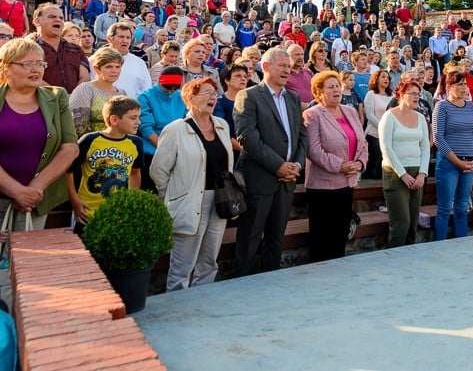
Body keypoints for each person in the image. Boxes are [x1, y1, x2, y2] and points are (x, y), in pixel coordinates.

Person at [0, 39, 79, 267]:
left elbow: (70, 147)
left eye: (40, 64)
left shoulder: (57, 97)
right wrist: (16, 190)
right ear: (5, 67)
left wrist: (34, 189)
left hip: (35, 200)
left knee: (27, 265)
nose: (36, 69)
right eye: (27, 64)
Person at [151, 77, 234, 291]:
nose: (213, 97)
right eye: (207, 92)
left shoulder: (222, 125)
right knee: (183, 263)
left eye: (214, 93)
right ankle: (178, 304)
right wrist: (172, 196)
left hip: (220, 199)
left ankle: (203, 299)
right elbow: (158, 170)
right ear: (190, 98)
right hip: (190, 200)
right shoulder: (175, 129)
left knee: (209, 259)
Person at [234, 47, 308, 276]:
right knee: (250, 238)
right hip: (260, 181)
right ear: (265, 67)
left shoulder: (294, 99)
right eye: (283, 66)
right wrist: (279, 166)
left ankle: (271, 283)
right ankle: (242, 284)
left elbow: (301, 136)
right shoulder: (248, 95)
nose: (288, 69)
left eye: (289, 65)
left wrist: (296, 165)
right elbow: (248, 138)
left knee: (276, 238)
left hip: (286, 182)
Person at [303, 71, 368, 262]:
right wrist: (341, 166)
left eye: (337, 86)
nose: (336, 89)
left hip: (347, 183)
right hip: (322, 186)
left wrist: (360, 163)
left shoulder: (350, 111)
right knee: (323, 235)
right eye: (330, 87)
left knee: (341, 232)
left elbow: (362, 142)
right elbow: (314, 151)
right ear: (318, 92)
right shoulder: (312, 115)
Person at [67, 96, 143, 235]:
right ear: (114, 120)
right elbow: (68, 171)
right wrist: (74, 201)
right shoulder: (89, 140)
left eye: (138, 117)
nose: (138, 122)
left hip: (117, 214)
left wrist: (131, 202)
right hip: (87, 213)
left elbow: (135, 173)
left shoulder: (136, 143)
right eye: (133, 118)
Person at [378, 79, 429, 248]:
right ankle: (394, 259)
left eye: (418, 94)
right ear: (401, 95)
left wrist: (422, 173)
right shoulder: (389, 116)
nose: (416, 97)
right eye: (412, 93)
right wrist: (403, 174)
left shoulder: (421, 117)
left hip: (417, 173)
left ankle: (410, 259)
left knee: (413, 222)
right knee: (401, 222)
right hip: (395, 173)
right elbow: (386, 147)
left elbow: (425, 147)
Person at [432, 70, 473, 240]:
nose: (464, 87)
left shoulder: (470, 106)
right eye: (459, 84)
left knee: (462, 207)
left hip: (469, 163)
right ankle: (439, 245)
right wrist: (458, 162)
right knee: (445, 208)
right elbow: (438, 137)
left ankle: (462, 243)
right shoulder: (442, 106)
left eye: (465, 84)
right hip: (449, 164)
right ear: (449, 87)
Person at [69, 48, 127, 136]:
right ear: (97, 69)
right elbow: (78, 126)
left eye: (117, 67)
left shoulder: (122, 93)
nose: (114, 71)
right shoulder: (85, 89)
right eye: (109, 66)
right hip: (90, 144)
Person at [33, 4, 88, 93]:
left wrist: (74, 97)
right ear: (37, 21)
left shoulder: (76, 49)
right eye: (52, 17)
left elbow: (85, 77)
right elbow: (30, 77)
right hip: (42, 102)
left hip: (73, 103)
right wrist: (59, 96)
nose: (57, 20)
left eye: (61, 18)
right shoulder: (28, 49)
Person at [106, 22, 151, 98]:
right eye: (121, 37)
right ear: (109, 38)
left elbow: (147, 89)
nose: (125, 41)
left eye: (128, 38)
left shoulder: (139, 63)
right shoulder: (97, 60)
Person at [362, 70, 392, 180]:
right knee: (375, 161)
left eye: (388, 78)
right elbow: (369, 115)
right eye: (383, 77)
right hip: (374, 134)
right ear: (376, 79)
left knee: (385, 163)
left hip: (388, 135)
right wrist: (383, 128)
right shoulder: (371, 94)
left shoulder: (391, 95)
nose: (386, 79)